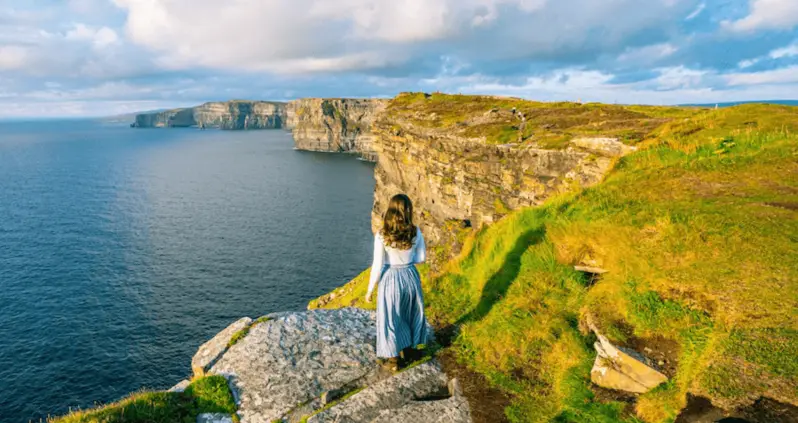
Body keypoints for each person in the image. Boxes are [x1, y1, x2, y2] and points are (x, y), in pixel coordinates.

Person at [366, 194, 428, 372]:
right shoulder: (415, 232)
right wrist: (407, 259)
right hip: (410, 275)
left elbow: (377, 265)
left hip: (390, 277)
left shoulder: (382, 234)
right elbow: (421, 258)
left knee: (392, 317)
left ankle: (393, 360)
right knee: (411, 312)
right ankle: (410, 350)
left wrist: (370, 290)